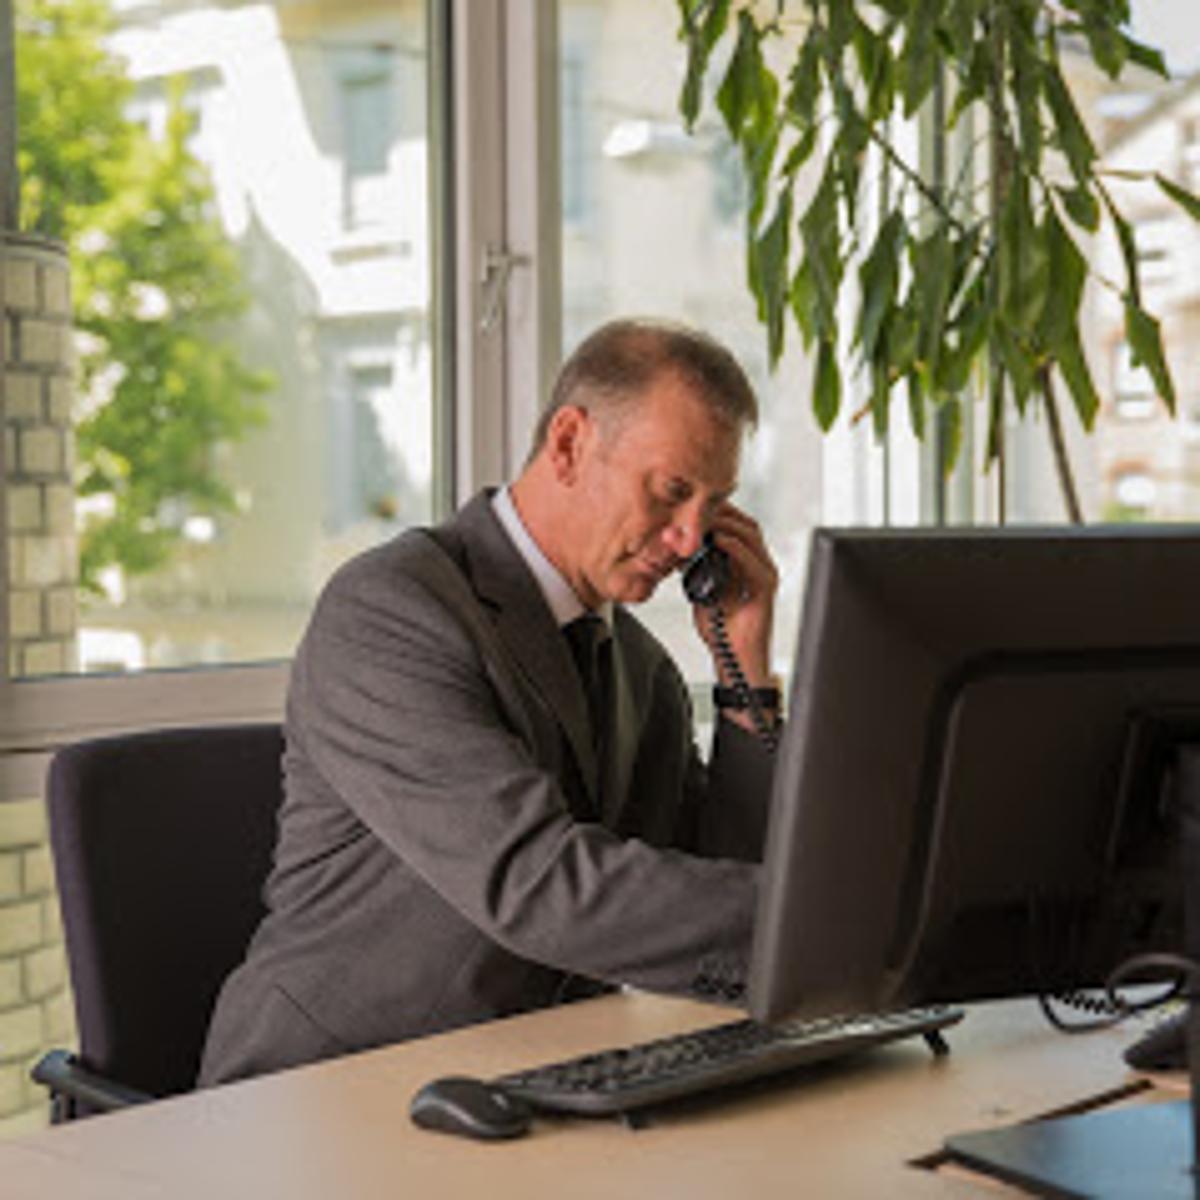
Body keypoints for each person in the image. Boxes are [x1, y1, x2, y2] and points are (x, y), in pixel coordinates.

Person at [199, 318, 781, 1086]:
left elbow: (712, 888)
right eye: (673, 492)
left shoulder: (642, 668)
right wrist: (827, 912)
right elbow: (537, 886)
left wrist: (745, 675)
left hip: (539, 1082)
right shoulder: (392, 610)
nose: (688, 540)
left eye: (713, 509)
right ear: (570, 444)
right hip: (325, 1094)